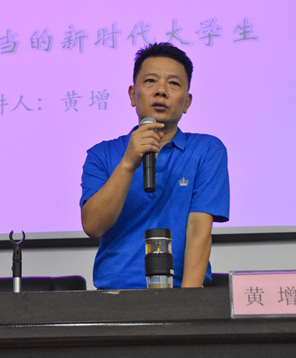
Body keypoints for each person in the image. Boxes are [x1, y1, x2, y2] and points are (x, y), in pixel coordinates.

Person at [80, 42, 229, 290]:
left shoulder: (207, 150)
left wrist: (187, 303)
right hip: (115, 295)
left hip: (181, 292)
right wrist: (128, 163)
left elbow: (199, 230)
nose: (161, 91)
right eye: (150, 81)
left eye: (174, 83)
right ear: (132, 94)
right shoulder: (102, 155)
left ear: (187, 102)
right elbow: (93, 227)